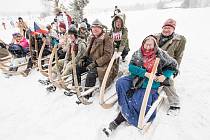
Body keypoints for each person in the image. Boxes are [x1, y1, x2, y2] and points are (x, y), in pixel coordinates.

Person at [103, 35, 178, 137]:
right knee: (121, 83)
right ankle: (125, 104)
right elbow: (131, 67)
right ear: (143, 44)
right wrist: (144, 73)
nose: (147, 47)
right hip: (137, 77)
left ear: (154, 45)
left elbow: (174, 65)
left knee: (139, 98)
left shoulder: (161, 54)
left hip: (151, 81)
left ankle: (119, 120)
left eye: (150, 45)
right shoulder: (138, 53)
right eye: (146, 44)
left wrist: (164, 76)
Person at [76, 19, 117, 99]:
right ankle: (76, 87)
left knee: (91, 74)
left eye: (97, 27)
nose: (95, 29)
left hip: (101, 64)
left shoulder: (107, 39)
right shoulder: (92, 38)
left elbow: (108, 56)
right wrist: (83, 58)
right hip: (92, 61)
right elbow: (88, 51)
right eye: (93, 27)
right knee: (78, 66)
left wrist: (95, 63)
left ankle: (87, 95)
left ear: (101, 29)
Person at [154, 18, 186, 114]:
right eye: (165, 27)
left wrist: (174, 70)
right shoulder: (155, 37)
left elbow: (178, 56)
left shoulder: (179, 40)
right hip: (153, 63)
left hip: (167, 66)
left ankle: (175, 104)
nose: (166, 30)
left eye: (169, 28)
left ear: (173, 29)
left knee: (167, 81)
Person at [46, 27, 87, 92]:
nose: (70, 36)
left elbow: (80, 56)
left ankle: (59, 82)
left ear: (75, 35)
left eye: (71, 35)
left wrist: (69, 63)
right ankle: (51, 77)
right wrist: (65, 62)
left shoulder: (81, 43)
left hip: (78, 61)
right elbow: (67, 55)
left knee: (69, 67)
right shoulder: (71, 43)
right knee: (59, 62)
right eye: (69, 35)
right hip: (70, 60)